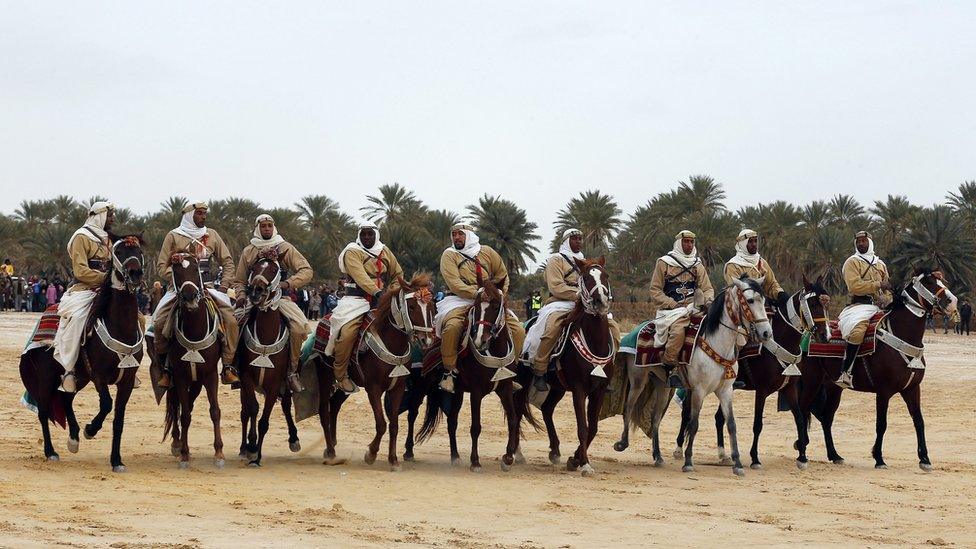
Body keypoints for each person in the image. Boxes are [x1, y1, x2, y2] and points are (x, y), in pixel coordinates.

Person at [152, 201, 239, 386]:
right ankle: (165, 367)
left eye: (204, 213)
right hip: (179, 289)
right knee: (159, 321)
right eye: (199, 213)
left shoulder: (212, 235)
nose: (203, 217)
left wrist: (224, 285)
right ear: (190, 215)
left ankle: (227, 366)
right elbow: (162, 266)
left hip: (208, 288)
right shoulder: (173, 236)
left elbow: (228, 262)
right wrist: (182, 280)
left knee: (231, 321)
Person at [524, 228, 620, 392]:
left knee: (614, 328)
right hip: (561, 302)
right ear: (566, 241)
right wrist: (578, 295)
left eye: (581, 239)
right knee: (552, 327)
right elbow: (556, 286)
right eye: (575, 238)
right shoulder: (556, 260)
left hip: (587, 303)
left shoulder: (586, 262)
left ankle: (608, 370)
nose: (579, 242)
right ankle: (540, 370)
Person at [435, 223, 525, 393]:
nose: (456, 238)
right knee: (453, 327)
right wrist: (476, 293)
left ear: (469, 235)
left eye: (460, 234)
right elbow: (454, 283)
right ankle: (449, 372)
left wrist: (497, 294)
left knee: (519, 330)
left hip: (488, 299)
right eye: (454, 235)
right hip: (460, 300)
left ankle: (510, 370)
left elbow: (502, 274)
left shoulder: (487, 252)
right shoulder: (450, 255)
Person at [233, 213, 313, 393]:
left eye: (269, 225)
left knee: (299, 328)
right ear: (257, 228)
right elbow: (239, 280)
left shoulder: (284, 247)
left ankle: (292, 372)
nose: (267, 229)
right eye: (263, 226)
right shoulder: (249, 251)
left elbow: (306, 270)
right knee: (232, 324)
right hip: (253, 299)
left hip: (280, 299)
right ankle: (232, 367)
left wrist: (289, 283)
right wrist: (240, 295)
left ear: (273, 227)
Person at [324, 224, 403, 394]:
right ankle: (340, 375)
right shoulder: (352, 251)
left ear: (376, 234)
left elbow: (397, 274)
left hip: (382, 300)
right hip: (355, 300)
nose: (367, 237)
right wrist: (377, 292)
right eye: (364, 234)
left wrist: (392, 292)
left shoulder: (385, 251)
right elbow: (360, 276)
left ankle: (407, 372)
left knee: (406, 327)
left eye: (370, 234)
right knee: (346, 333)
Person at [52, 201, 115, 392]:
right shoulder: (81, 237)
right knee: (78, 318)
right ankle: (69, 369)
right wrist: (106, 279)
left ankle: (128, 365)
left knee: (136, 318)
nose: (113, 219)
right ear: (100, 216)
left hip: (110, 289)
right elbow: (80, 271)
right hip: (85, 288)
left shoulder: (110, 239)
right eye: (110, 216)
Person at [649, 230, 714, 388]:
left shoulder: (697, 264)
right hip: (672, 310)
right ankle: (670, 367)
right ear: (679, 243)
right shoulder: (664, 262)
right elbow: (655, 290)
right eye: (686, 242)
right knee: (678, 332)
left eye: (692, 242)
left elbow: (707, 288)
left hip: (694, 307)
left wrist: (709, 301)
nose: (689, 245)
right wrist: (672, 304)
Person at [835, 231, 891, 389]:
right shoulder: (851, 262)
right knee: (858, 332)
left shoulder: (880, 264)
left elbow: (888, 287)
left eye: (864, 241)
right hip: (860, 306)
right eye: (858, 241)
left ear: (870, 243)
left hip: (881, 306)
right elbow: (855, 286)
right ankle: (846, 371)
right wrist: (878, 285)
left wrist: (887, 299)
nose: (861, 244)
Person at [724, 229, 788, 306]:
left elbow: (771, 284)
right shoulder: (733, 265)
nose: (754, 244)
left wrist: (780, 293)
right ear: (743, 244)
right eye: (750, 241)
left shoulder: (761, 262)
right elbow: (736, 290)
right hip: (744, 307)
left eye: (755, 241)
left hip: (765, 304)